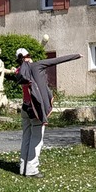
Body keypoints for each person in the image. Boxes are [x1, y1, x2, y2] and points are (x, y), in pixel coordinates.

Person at [13, 46, 81, 177]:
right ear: (29, 55)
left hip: (25, 108)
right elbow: (56, 60)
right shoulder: (37, 66)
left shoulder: (19, 71)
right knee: (36, 139)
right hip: (35, 109)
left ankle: (23, 168)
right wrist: (76, 55)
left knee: (26, 138)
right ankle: (32, 170)